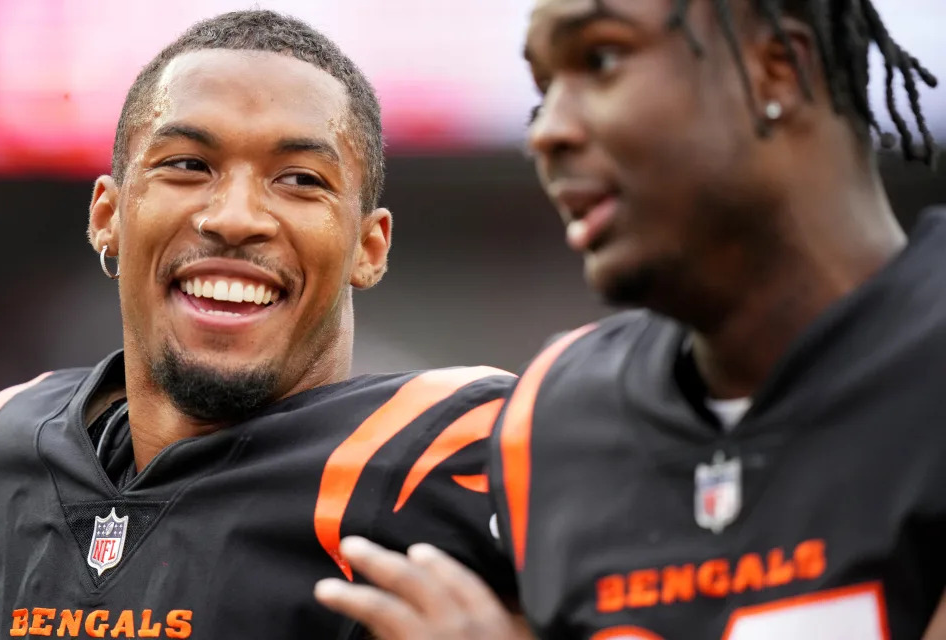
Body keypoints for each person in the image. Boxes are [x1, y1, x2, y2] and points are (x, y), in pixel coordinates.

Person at [314, 0, 946, 638]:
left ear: (777, 68)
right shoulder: (550, 414)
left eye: (601, 59)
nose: (546, 131)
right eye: (543, 89)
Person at [0, 10, 519, 639]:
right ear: (108, 215)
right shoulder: (4, 442)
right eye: (186, 165)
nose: (235, 218)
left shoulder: (460, 452)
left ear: (368, 249)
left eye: (300, 180)